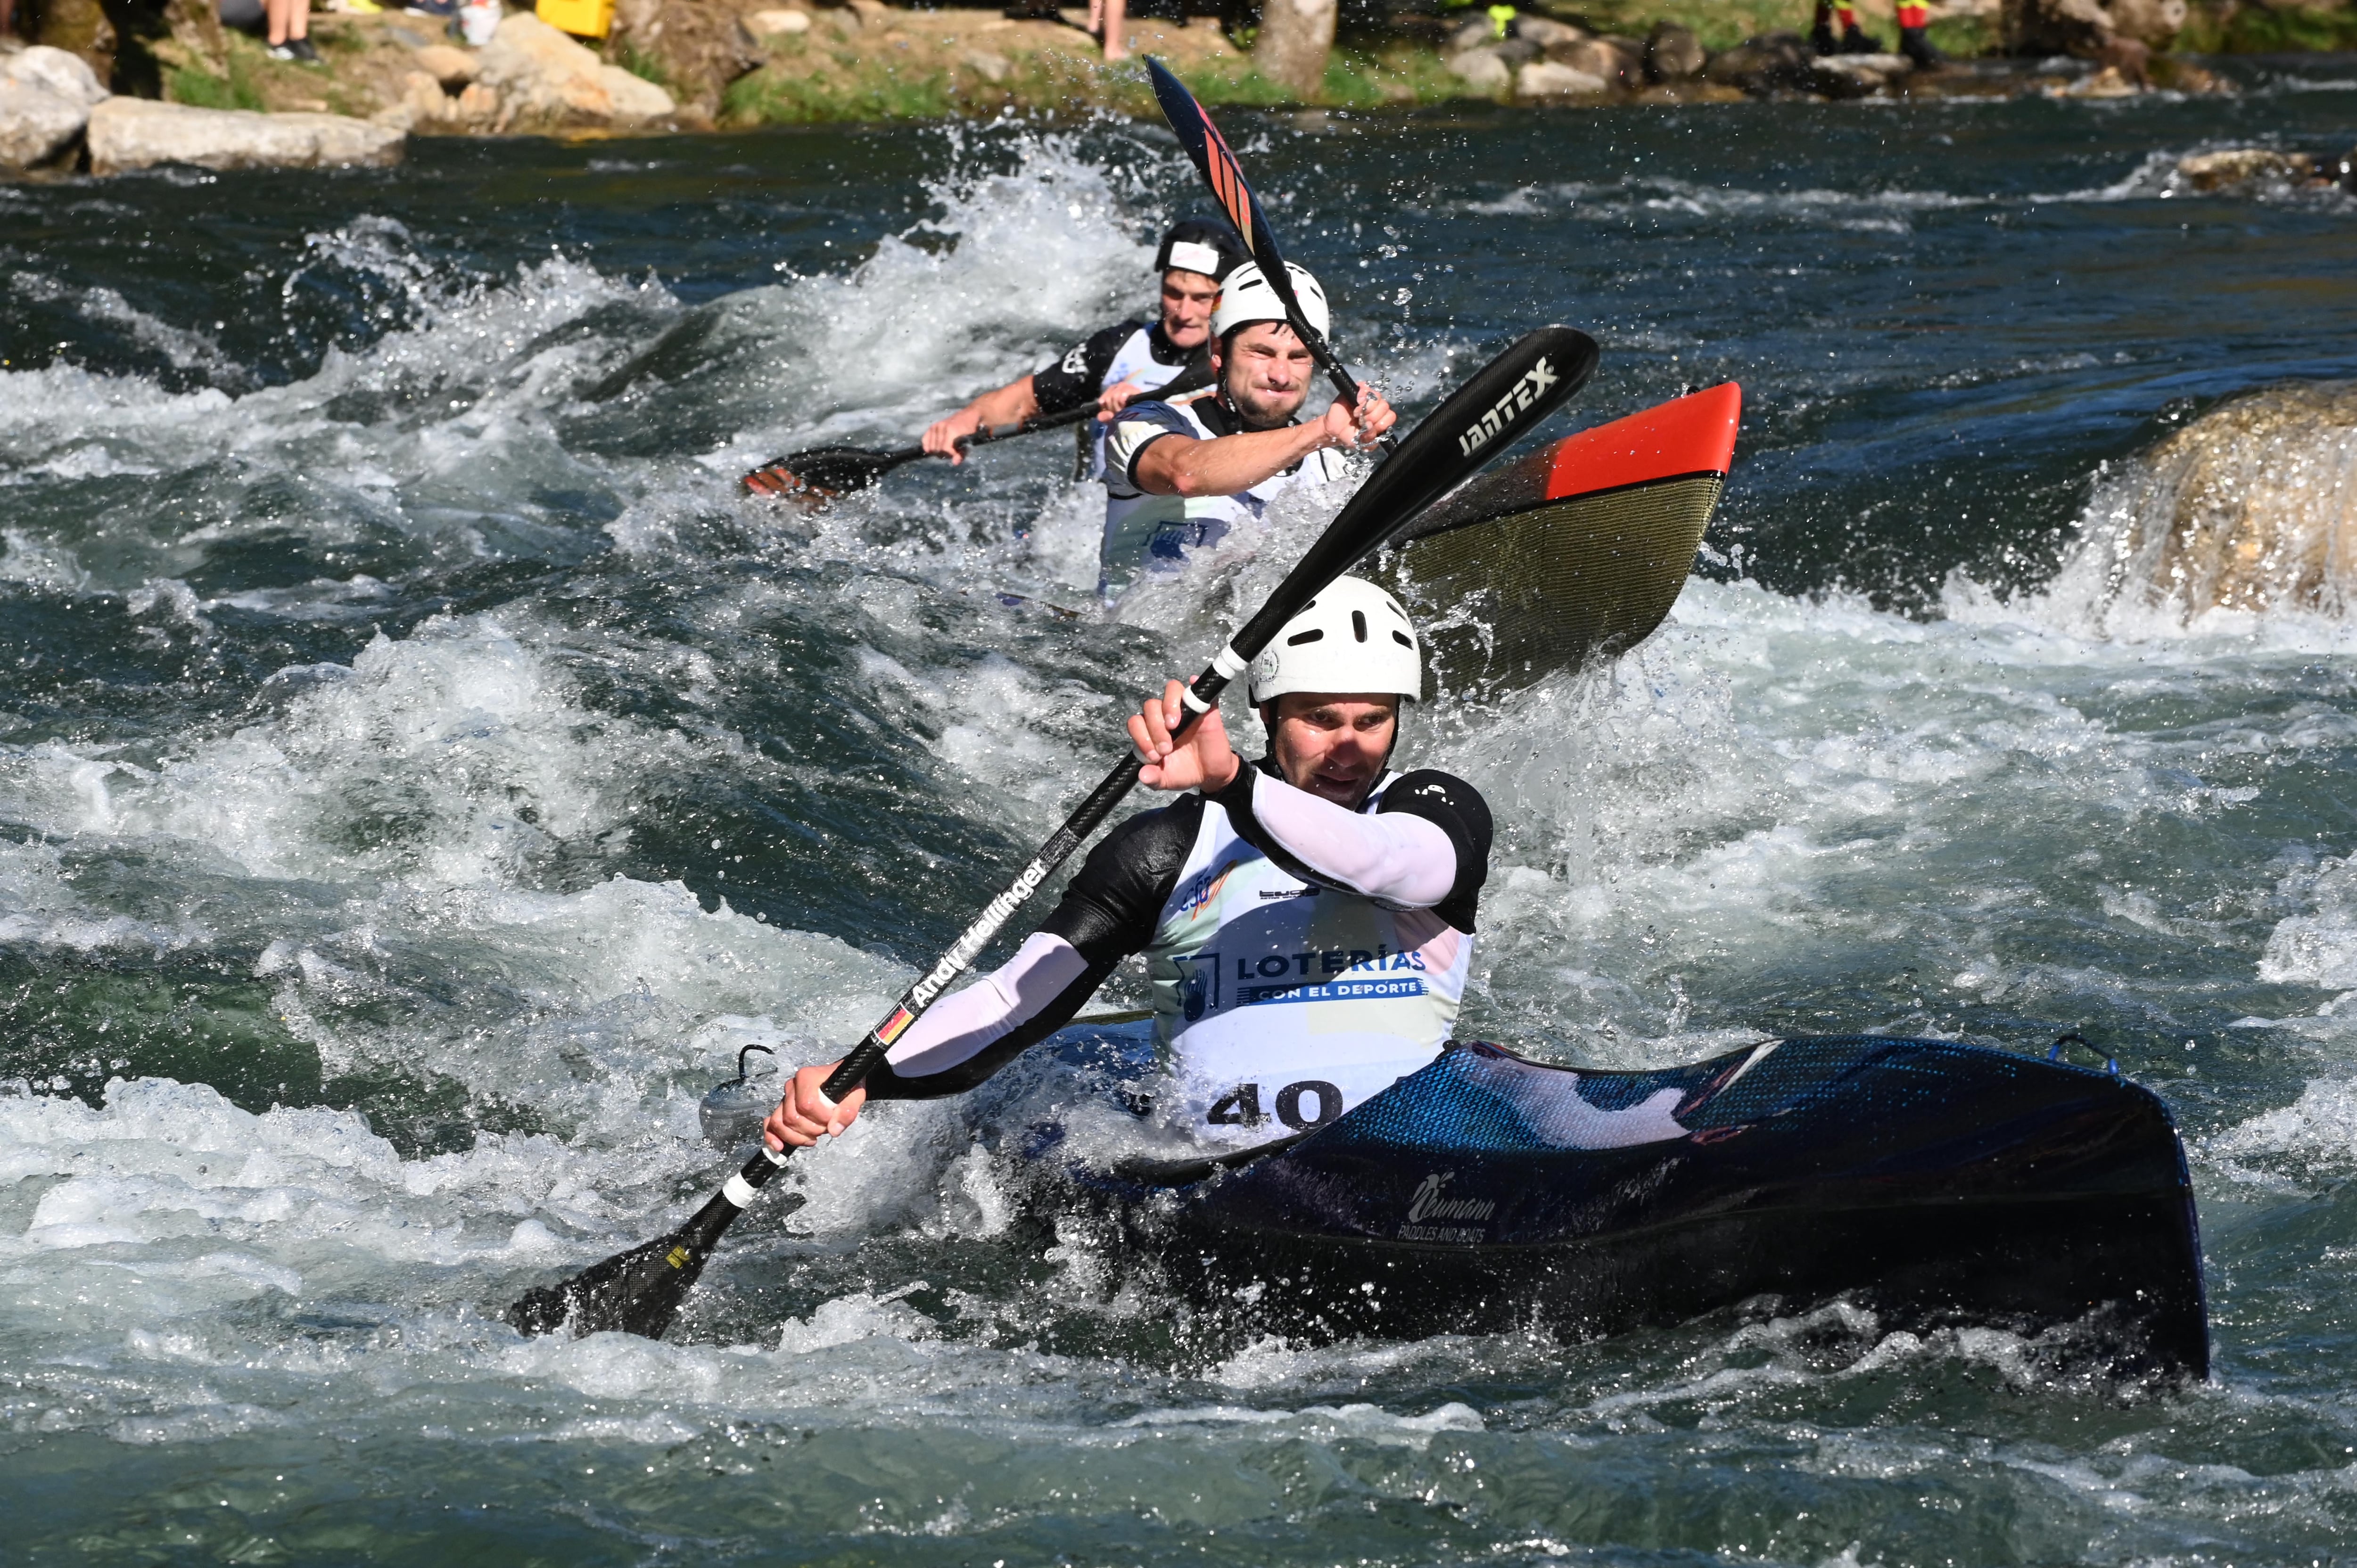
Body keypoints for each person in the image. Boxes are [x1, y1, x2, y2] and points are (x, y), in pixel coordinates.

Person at [763, 575, 1494, 1158]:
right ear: (1270, 716)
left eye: (1372, 721)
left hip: (1406, 1157)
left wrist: (1233, 781)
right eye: (1321, 718)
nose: (1349, 747)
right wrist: (863, 1078)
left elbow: (1388, 866)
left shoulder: (1433, 813)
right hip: (1225, 1179)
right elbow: (1012, 1002)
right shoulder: (1168, 848)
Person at [1099, 258, 1394, 580]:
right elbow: (1187, 473)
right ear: (1218, 351)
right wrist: (1322, 431)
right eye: (1262, 353)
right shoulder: (1143, 423)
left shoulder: (1329, 471)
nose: (1281, 375)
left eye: (1298, 357)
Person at [919, 217, 1244, 474]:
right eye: (1174, 293)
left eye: (1201, 298)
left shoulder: (1249, 356)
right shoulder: (1116, 347)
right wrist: (965, 419)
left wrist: (1145, 406)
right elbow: (1022, 402)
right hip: (1097, 528)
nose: (1184, 313)